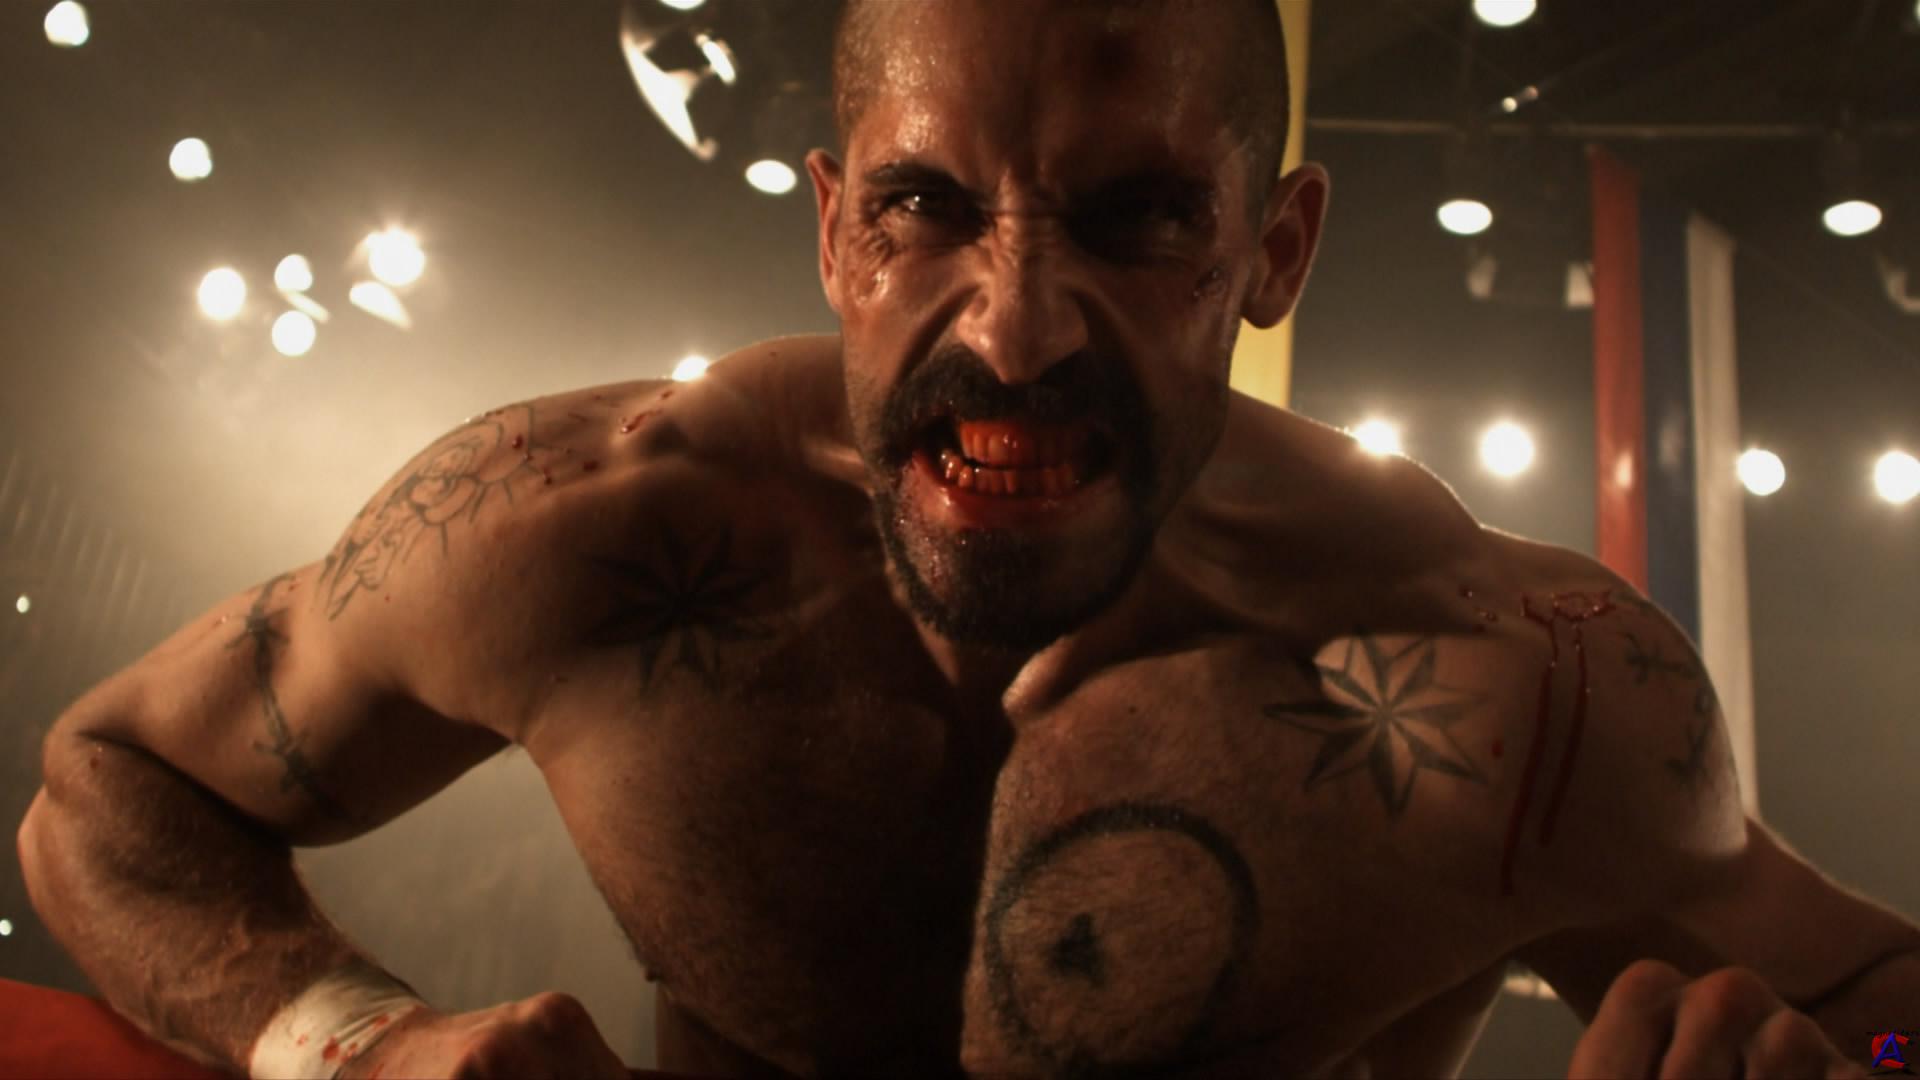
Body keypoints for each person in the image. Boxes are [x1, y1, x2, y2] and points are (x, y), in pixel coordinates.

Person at [18, 1, 1918, 1077]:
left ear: (1273, 251)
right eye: (927, 206)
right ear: (836, 232)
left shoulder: (1497, 679)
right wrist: (351, 1042)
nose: (1014, 331)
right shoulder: (602, 523)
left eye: (1138, 214)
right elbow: (105, 792)